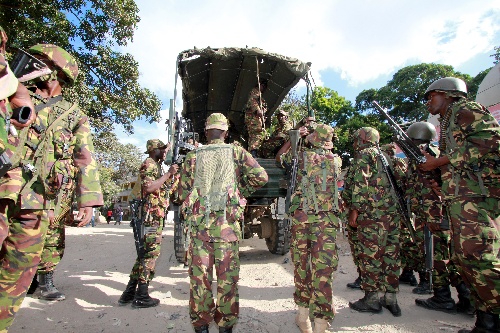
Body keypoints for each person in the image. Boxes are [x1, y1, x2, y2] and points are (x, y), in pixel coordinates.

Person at [0, 43, 103, 330]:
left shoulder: (73, 114)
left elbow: (85, 157)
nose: (30, 63)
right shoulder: (10, 92)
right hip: (3, 190)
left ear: (55, 73)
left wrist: (88, 201)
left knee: (17, 274)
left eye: (40, 61)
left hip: (38, 201)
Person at [419, 77, 500, 332]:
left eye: (430, 97)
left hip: (476, 197)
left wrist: (440, 162)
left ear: (447, 93)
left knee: (481, 258)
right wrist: (438, 178)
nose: (428, 103)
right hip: (461, 199)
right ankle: (486, 323)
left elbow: (491, 142)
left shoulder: (467, 110)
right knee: (466, 260)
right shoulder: (449, 120)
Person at [178, 113, 268, 333]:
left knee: (200, 279)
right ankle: (226, 326)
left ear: (207, 132)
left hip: (200, 228)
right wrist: (239, 193)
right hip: (227, 227)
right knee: (227, 279)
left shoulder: (193, 156)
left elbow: (181, 193)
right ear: (226, 132)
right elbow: (261, 176)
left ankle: (201, 326)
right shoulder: (237, 152)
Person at [276, 124, 342, 333]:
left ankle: (303, 317)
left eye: (313, 133)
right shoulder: (336, 160)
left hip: (302, 220)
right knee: (323, 270)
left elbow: (279, 157)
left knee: (302, 266)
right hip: (326, 223)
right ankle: (322, 323)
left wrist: (293, 139)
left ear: (315, 138)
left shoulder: (299, 158)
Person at [342, 127, 402, 317]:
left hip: (372, 216)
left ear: (362, 139)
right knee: (391, 256)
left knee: (370, 255)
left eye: (355, 140)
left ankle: (372, 299)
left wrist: (355, 211)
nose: (354, 144)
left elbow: (361, 183)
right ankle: (391, 299)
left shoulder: (365, 155)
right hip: (391, 214)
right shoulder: (386, 156)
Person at [118, 139, 178, 308]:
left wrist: (172, 177)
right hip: (148, 216)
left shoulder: (156, 166)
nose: (164, 152)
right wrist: (168, 174)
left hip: (152, 215)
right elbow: (149, 188)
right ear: (154, 150)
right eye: (162, 149)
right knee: (150, 254)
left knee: (144, 254)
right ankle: (142, 295)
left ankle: (129, 293)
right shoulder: (149, 164)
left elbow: (161, 190)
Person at [244, 81, 267, 157]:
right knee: (256, 135)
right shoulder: (255, 92)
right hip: (254, 120)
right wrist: (258, 111)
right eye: (263, 86)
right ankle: (253, 154)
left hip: (255, 119)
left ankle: (252, 153)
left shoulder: (260, 96)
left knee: (253, 136)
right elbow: (253, 101)